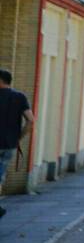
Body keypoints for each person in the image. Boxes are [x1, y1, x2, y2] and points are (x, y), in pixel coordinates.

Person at [0, 68, 31, 219]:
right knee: (0, 174)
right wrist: (19, 137)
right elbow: (31, 120)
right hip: (9, 144)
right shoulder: (19, 97)